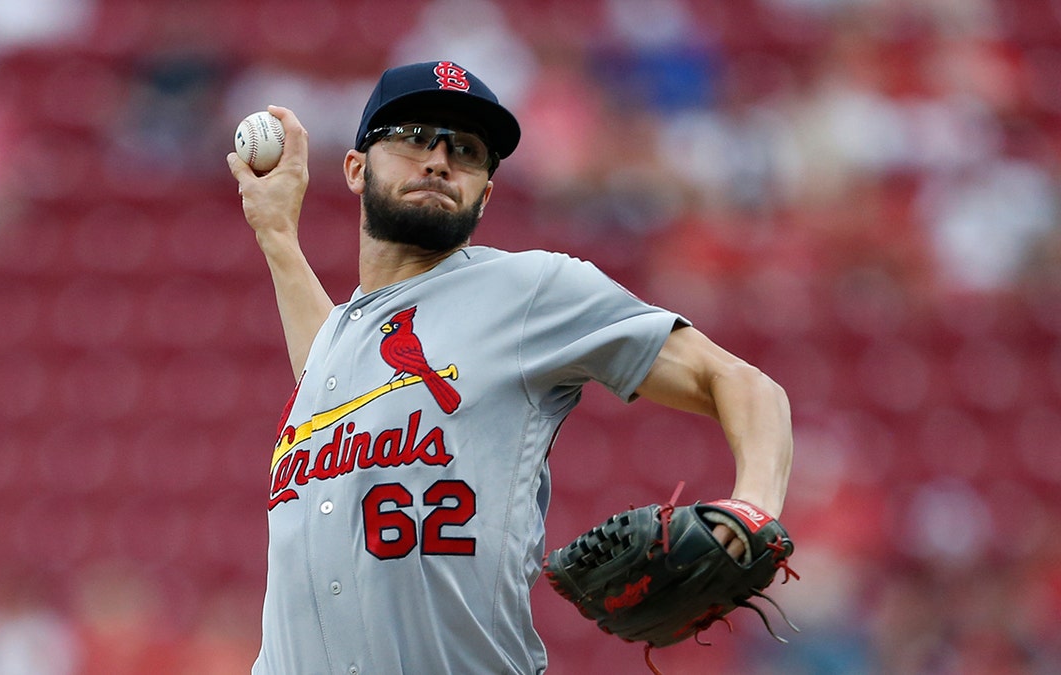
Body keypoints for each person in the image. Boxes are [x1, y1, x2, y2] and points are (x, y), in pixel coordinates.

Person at [226, 60, 793, 675]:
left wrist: (753, 506)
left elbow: (742, 383)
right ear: (357, 168)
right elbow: (332, 371)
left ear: (486, 193)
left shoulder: (528, 290)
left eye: (467, 151)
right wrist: (278, 234)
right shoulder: (342, 345)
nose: (440, 161)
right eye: (416, 137)